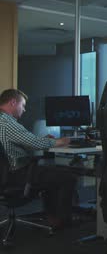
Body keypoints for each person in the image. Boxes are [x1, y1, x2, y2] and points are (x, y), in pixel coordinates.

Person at [0, 89, 76, 229]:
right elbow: (33, 143)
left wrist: (40, 140)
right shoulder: (6, 121)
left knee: (51, 175)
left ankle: (52, 217)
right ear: (12, 102)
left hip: (6, 174)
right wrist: (59, 142)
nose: (24, 110)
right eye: (22, 105)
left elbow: (19, 144)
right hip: (16, 174)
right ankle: (61, 222)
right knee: (66, 177)